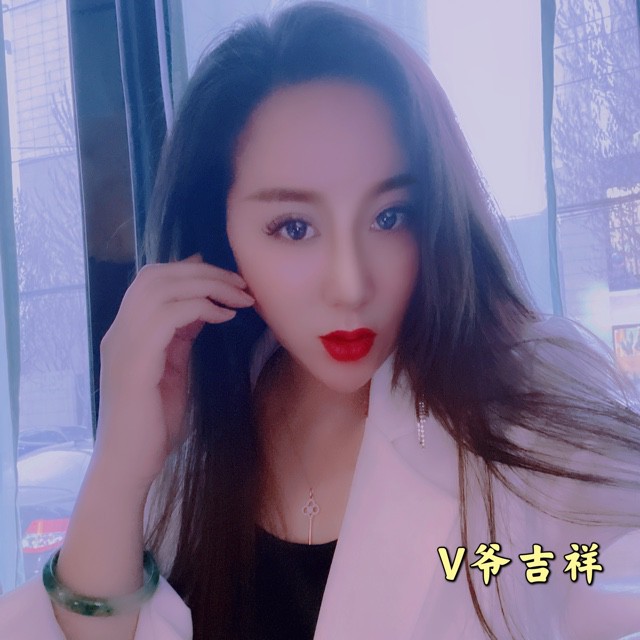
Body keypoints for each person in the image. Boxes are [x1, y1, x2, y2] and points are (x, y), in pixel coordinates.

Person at [1, 2, 639, 639]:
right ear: (220, 235)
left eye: (389, 217)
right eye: (294, 228)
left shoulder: (529, 401)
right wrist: (118, 463)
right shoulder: (200, 422)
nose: (351, 285)